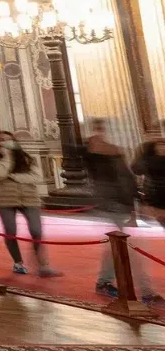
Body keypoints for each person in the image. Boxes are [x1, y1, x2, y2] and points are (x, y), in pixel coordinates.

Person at [87, 118, 155, 298]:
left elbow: (128, 179)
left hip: (123, 206)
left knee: (117, 248)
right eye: (97, 129)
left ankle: (104, 282)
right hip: (109, 206)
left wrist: (135, 206)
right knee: (131, 248)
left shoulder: (116, 153)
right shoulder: (92, 154)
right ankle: (146, 291)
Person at [0, 130, 58, 277]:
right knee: (11, 232)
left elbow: (36, 177)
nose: (5, 143)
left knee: (36, 230)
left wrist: (12, 176)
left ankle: (43, 265)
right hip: (5, 198)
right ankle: (18, 263)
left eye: (9, 140)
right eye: (1, 140)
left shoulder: (26, 158)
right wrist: (7, 157)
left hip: (29, 197)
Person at [134, 136, 165, 223]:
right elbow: (136, 169)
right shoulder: (149, 158)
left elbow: (136, 169)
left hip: (154, 197)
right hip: (155, 198)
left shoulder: (148, 158)